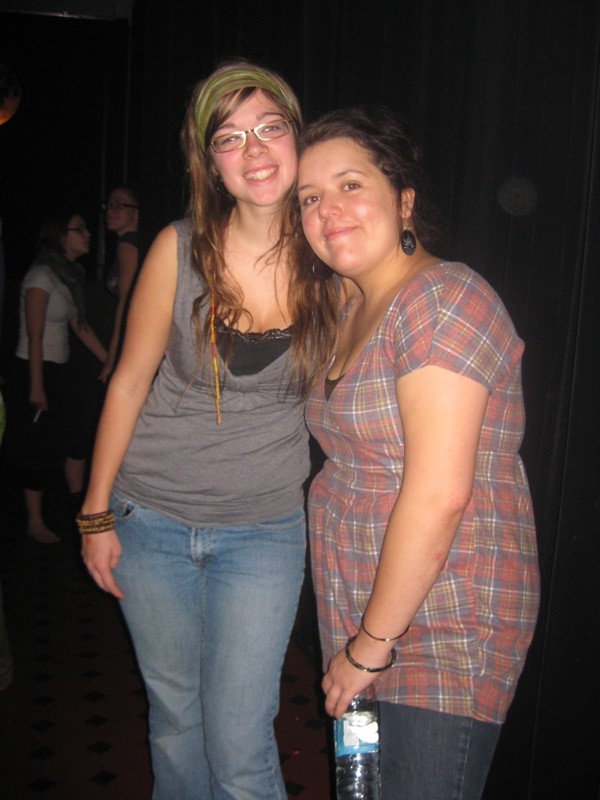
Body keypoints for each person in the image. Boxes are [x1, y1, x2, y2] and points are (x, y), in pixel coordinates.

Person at [79, 61, 336, 800]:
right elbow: (128, 383)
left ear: (297, 137)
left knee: (241, 736)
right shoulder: (178, 247)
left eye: (269, 128)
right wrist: (95, 512)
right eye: (229, 138)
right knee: (175, 720)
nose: (254, 150)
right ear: (210, 161)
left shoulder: (332, 257)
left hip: (263, 529)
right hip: (149, 518)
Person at [296, 106, 540, 800]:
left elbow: (439, 495)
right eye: (308, 198)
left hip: (443, 618)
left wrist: (371, 647)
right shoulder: (345, 306)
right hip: (360, 612)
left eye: (349, 185)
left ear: (403, 199)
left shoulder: (442, 299)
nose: (326, 210)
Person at [2, 209, 107, 543]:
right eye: (80, 229)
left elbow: (80, 326)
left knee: (62, 442)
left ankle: (70, 513)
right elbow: (34, 336)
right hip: (33, 369)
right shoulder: (41, 276)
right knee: (36, 448)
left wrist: (110, 361)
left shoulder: (65, 277)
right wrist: (36, 386)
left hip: (56, 370)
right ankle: (34, 521)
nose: (88, 234)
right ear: (61, 236)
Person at [100, 184, 139, 381]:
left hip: (133, 337)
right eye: (109, 205)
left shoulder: (128, 244)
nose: (111, 210)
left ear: (136, 213)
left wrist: (113, 357)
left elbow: (126, 302)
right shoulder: (132, 243)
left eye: (120, 205)